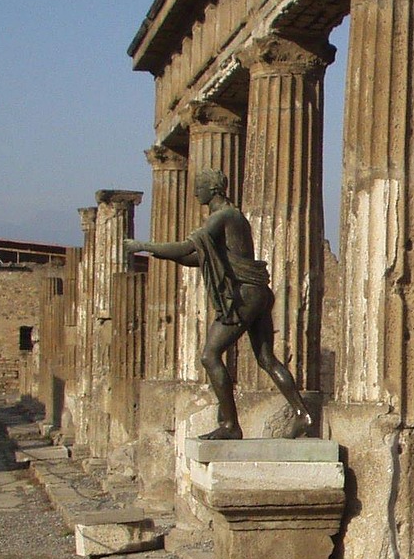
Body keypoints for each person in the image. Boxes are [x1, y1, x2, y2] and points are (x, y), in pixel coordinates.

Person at [123, 169, 314, 440]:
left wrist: (142, 245)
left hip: (244, 295)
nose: (195, 192)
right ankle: (301, 414)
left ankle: (231, 425)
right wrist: (161, 255)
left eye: (199, 186)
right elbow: (198, 259)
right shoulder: (233, 217)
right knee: (266, 359)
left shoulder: (223, 216)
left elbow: (185, 248)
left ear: (213, 189)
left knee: (209, 356)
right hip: (257, 292)